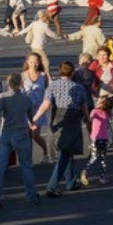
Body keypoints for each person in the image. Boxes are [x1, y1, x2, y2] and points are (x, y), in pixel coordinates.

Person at [0, 73, 40, 207]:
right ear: (21, 83)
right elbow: (30, 118)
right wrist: (32, 124)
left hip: (5, 133)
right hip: (21, 133)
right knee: (26, 167)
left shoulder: (3, 97)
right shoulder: (26, 99)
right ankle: (31, 196)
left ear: (8, 83)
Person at [33, 61, 91, 198]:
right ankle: (52, 186)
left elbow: (46, 104)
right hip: (73, 118)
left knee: (65, 150)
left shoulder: (53, 85)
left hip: (57, 118)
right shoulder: (78, 87)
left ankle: (71, 182)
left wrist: (34, 119)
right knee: (65, 152)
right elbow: (83, 105)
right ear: (72, 73)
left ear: (60, 72)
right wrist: (87, 118)